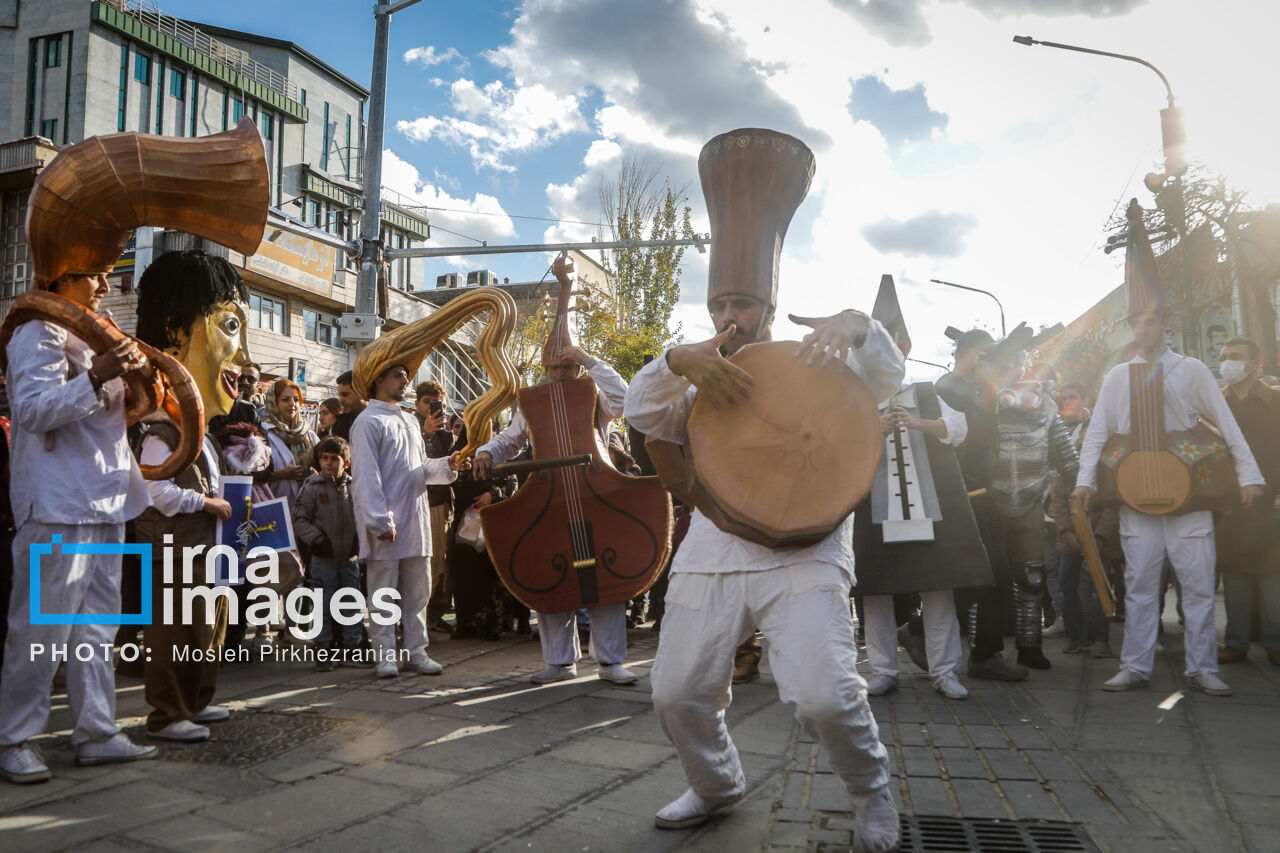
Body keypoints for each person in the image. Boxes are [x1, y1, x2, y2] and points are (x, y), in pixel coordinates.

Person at [625, 129, 902, 851]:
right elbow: (641, 413)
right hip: (715, 546)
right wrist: (672, 360)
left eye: (743, 303)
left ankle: (871, 789)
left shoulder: (815, 359)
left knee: (824, 695)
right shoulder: (695, 368)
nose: (730, 317)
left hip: (806, 548)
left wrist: (864, 329)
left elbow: (888, 380)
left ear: (770, 307)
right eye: (721, 302)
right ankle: (716, 784)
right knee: (676, 691)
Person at [1074, 201, 1264, 697]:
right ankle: (1135, 665)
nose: (1145, 330)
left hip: (1190, 493)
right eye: (1137, 323)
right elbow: (1096, 432)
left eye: (1152, 322)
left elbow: (1227, 426)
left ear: (1166, 325)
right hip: (1137, 493)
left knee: (1198, 587)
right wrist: (1084, 481)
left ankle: (1202, 668)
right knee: (1139, 587)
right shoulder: (1118, 376)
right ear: (1132, 328)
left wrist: (1248, 475)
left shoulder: (1192, 370)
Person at [473, 256, 639, 687]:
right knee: (553, 573)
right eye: (554, 367)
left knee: (605, 576)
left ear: (577, 367)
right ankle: (559, 661)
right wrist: (488, 451)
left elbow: (624, 399)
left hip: (596, 491)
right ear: (544, 369)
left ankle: (610, 661)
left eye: (567, 366)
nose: (560, 373)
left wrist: (589, 357)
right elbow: (510, 439)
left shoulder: (595, 395)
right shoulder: (530, 402)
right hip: (549, 497)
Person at [130, 250, 249, 743]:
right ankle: (167, 713)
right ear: (176, 332)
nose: (241, 357)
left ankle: (196, 702)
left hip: (203, 549)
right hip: (174, 549)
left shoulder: (196, 428)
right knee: (173, 630)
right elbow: (153, 489)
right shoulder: (161, 428)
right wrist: (207, 504)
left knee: (205, 629)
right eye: (230, 326)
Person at [853, 275, 989, 702]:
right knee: (874, 589)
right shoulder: (852, 396)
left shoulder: (927, 392)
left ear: (905, 350)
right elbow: (831, 442)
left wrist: (915, 423)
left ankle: (945, 671)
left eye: (896, 345)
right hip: (873, 503)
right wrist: (869, 427)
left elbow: (959, 428)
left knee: (938, 585)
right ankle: (882, 670)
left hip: (927, 503)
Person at [349, 362, 467, 677]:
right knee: (383, 593)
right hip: (387, 521)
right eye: (397, 376)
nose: (405, 381)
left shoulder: (410, 421)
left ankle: (416, 651)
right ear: (378, 380)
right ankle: (385, 655)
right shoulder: (367, 421)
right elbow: (365, 476)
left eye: (405, 376)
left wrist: (449, 464)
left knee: (418, 591)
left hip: (415, 518)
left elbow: (421, 468)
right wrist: (379, 520)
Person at [936, 329, 1030, 683]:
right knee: (994, 578)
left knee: (994, 579)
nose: (993, 362)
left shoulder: (979, 390)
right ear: (971, 355)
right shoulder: (947, 389)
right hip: (964, 498)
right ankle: (980, 654)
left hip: (982, 495)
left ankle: (931, 633)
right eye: (986, 354)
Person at [1213, 337, 1280, 666]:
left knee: (1273, 576)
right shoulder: (1215, 404)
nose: (1226, 362)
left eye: (1235, 356)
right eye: (1223, 356)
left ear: (1255, 364)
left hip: (1272, 505)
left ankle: (1276, 643)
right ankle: (1236, 643)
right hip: (1231, 505)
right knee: (1235, 576)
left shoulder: (1276, 401)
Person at [1047, 382, 1114, 659]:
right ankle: (1077, 636)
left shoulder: (1109, 463)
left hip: (1100, 537)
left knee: (1099, 586)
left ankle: (1101, 638)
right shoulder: (1069, 461)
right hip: (1071, 536)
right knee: (1066, 585)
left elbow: (1113, 505)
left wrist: (1098, 537)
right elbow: (1058, 499)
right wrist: (1067, 530)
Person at [293, 436, 363, 670]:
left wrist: (358, 540)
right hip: (324, 558)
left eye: (335, 459)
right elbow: (300, 520)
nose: (329, 463)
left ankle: (352, 648)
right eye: (324, 458)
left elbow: (362, 516)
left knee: (350, 605)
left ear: (346, 462)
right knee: (322, 605)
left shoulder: (354, 486)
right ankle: (323, 649)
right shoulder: (312, 487)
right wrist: (317, 540)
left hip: (349, 558)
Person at [447, 420, 519, 639]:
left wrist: (493, 494)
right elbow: (449, 481)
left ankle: (492, 625)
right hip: (464, 525)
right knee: (466, 574)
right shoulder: (457, 454)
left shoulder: (496, 451)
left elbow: (511, 482)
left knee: (492, 574)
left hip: (494, 522)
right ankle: (466, 624)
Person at [415, 380, 457, 633]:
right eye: (427, 402)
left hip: (443, 504)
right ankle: (417, 615)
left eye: (436, 402)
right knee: (423, 562)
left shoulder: (445, 433)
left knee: (441, 562)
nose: (431, 407)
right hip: (421, 504)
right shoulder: (411, 428)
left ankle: (434, 613)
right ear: (418, 403)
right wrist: (427, 432)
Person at [262, 379, 318, 509]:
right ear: (274, 403)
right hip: (275, 507)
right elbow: (253, 476)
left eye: (296, 400)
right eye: (285, 400)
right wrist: (280, 474)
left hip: (309, 508)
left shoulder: (308, 434)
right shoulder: (263, 434)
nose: (292, 404)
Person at [331, 370, 366, 441]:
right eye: (339, 395)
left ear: (361, 392)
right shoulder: (339, 425)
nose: (340, 400)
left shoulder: (378, 420)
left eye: (345, 395)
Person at [229, 362, 265, 428]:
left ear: (257, 385)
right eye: (240, 377)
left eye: (251, 379)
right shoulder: (223, 408)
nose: (245, 382)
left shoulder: (262, 412)